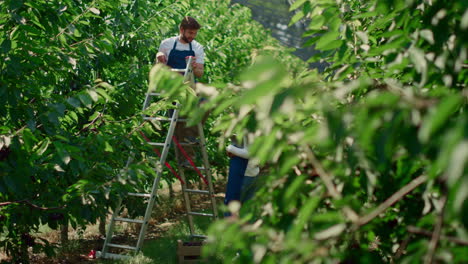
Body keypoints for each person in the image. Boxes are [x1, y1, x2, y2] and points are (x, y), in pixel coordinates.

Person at [156, 16, 205, 166]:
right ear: (181, 30)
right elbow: (159, 66)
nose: (192, 36)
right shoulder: (167, 44)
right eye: (190, 33)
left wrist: (196, 67)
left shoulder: (197, 47)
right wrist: (159, 57)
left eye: (194, 33)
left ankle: (187, 155)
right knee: (179, 123)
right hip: (170, 85)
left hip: (189, 85)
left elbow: (200, 73)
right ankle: (184, 157)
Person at [224, 136, 260, 217]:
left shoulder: (248, 129)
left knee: (232, 208)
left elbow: (250, 153)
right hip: (253, 172)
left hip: (244, 174)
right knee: (246, 209)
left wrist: (230, 148)